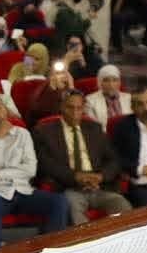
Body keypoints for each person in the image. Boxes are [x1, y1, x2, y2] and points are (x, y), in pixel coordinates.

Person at [0, 94, 68, 248]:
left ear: (5, 109)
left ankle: (51, 247)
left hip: (24, 190)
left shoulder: (22, 134)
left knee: (59, 201)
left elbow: (30, 169)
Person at [33, 90, 131, 225]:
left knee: (121, 204)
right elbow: (46, 164)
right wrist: (76, 177)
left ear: (83, 109)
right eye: (70, 107)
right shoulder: (46, 132)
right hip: (70, 188)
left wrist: (101, 176)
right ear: (61, 107)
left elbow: (113, 160)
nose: (75, 112)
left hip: (99, 187)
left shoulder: (95, 129)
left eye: (79, 108)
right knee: (74, 210)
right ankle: (90, 239)